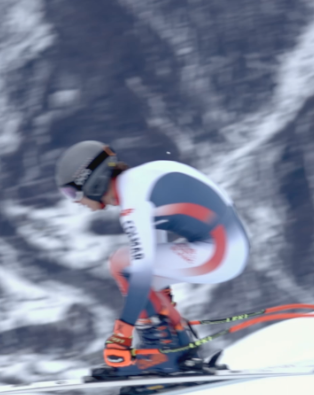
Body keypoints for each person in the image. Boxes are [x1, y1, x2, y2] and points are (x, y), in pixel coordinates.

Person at [54, 140, 250, 378]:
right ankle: (174, 347)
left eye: (73, 192)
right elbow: (154, 260)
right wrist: (165, 313)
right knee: (133, 268)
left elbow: (143, 272)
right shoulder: (141, 181)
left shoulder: (134, 204)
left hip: (221, 254)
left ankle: (162, 356)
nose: (76, 201)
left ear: (92, 182)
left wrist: (122, 333)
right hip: (228, 246)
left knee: (122, 264)